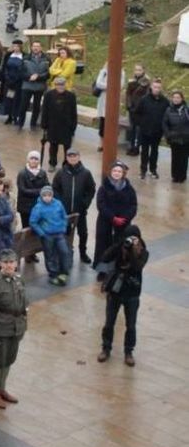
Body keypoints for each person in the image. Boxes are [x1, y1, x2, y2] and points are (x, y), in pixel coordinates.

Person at [97, 225, 148, 366]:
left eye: (134, 238)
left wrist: (132, 251)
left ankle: (129, 352)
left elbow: (137, 266)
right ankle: (106, 348)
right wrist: (120, 245)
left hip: (132, 293)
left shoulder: (143, 252)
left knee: (131, 325)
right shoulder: (121, 247)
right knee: (109, 323)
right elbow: (105, 257)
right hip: (115, 292)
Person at [0, 249, 27, 410]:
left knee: (9, 359)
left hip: (16, 328)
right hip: (1, 329)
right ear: (0, 264)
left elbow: (23, 304)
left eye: (12, 262)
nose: (9, 265)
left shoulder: (18, 280)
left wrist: (23, 325)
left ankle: (2, 389)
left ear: (16, 263)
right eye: (6, 262)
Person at [94, 161, 137, 278]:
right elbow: (101, 205)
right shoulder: (103, 188)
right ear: (111, 172)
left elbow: (133, 205)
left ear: (123, 173)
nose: (117, 173)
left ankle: (118, 269)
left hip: (123, 224)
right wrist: (112, 217)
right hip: (106, 222)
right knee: (103, 246)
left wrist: (125, 217)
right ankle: (102, 270)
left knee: (120, 246)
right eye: (115, 171)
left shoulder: (129, 189)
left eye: (119, 171)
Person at [52, 148, 96, 264]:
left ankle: (83, 253)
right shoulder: (61, 173)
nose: (72, 158)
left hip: (80, 211)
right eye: (70, 156)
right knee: (65, 233)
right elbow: (55, 188)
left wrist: (85, 203)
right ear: (66, 158)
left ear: (79, 157)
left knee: (83, 233)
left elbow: (91, 189)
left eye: (74, 156)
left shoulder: (86, 173)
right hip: (64, 212)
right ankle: (66, 253)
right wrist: (59, 203)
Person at [30, 186, 71, 285]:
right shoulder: (38, 207)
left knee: (64, 252)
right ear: (41, 196)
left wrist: (64, 227)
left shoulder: (58, 203)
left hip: (59, 233)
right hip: (47, 235)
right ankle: (53, 274)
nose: (47, 197)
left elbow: (64, 216)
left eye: (49, 195)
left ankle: (63, 272)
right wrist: (42, 233)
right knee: (50, 255)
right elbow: (33, 222)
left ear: (52, 195)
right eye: (45, 195)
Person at [40, 76, 78, 171]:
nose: (60, 86)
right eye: (58, 84)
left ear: (65, 85)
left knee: (67, 147)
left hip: (66, 126)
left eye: (62, 84)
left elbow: (74, 112)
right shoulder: (48, 95)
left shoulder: (71, 96)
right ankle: (52, 163)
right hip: (53, 125)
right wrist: (44, 125)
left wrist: (73, 126)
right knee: (53, 146)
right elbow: (44, 110)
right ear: (55, 85)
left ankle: (66, 164)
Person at [135, 78, 169, 179]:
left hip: (157, 132)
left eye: (158, 87)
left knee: (155, 151)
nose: (157, 89)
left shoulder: (165, 101)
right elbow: (137, 113)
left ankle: (153, 169)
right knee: (144, 151)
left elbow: (167, 116)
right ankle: (143, 170)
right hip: (145, 130)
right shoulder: (144, 99)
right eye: (155, 87)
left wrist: (163, 129)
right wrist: (141, 124)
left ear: (161, 88)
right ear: (151, 87)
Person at [16, 41, 50, 130]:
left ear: (41, 48)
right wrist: (29, 77)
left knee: (36, 106)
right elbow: (20, 72)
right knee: (23, 105)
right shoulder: (25, 58)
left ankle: (33, 124)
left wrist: (38, 77)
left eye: (38, 46)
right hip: (27, 86)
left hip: (39, 87)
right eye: (34, 46)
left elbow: (48, 73)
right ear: (31, 48)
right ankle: (20, 124)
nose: (36, 48)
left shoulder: (47, 59)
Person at [15, 151, 48, 236]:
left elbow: (47, 187)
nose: (34, 161)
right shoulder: (22, 173)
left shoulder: (43, 173)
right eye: (31, 158)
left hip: (39, 207)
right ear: (28, 160)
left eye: (36, 159)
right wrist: (39, 191)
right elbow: (23, 190)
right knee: (26, 229)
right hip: (25, 207)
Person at [93, 63, 123, 149]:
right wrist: (110, 85)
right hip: (103, 100)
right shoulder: (104, 71)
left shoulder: (121, 72)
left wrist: (106, 86)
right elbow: (98, 84)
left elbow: (119, 86)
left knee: (112, 122)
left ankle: (110, 143)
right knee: (103, 122)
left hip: (113, 100)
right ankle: (101, 143)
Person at [125, 63, 151, 155]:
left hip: (141, 110)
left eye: (139, 70)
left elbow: (147, 96)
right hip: (132, 108)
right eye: (136, 70)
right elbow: (128, 93)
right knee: (132, 128)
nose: (137, 72)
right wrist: (128, 104)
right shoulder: (131, 81)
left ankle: (137, 147)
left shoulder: (147, 82)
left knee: (139, 129)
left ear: (143, 71)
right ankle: (131, 145)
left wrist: (139, 107)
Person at [163, 89, 189, 183]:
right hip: (174, 137)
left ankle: (182, 176)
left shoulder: (186, 109)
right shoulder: (169, 109)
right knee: (175, 158)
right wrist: (168, 134)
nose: (176, 99)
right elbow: (165, 123)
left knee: (184, 158)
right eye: (174, 97)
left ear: (182, 99)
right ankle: (175, 176)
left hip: (185, 138)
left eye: (178, 97)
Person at [0, 39, 25, 122]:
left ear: (20, 47)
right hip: (8, 82)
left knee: (17, 99)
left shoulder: (24, 56)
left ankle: (16, 116)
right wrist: (7, 78)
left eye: (17, 46)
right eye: (14, 46)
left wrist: (16, 79)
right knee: (9, 98)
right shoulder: (8, 55)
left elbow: (23, 70)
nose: (15, 48)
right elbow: (4, 68)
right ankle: (9, 116)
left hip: (18, 82)